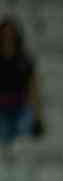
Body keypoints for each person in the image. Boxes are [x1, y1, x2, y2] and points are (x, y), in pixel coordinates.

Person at [0, 16, 43, 151]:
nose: (8, 37)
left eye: (11, 34)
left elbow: (33, 88)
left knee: (24, 147)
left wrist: (38, 116)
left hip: (21, 108)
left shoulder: (24, 59)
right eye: (5, 34)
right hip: (1, 110)